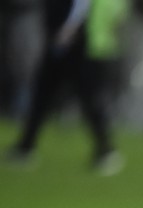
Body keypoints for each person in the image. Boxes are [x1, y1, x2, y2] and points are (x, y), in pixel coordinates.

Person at [5, 0, 128, 174]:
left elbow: (82, 5)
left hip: (75, 45)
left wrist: (68, 29)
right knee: (44, 95)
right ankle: (26, 146)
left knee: (86, 98)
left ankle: (106, 149)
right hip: (68, 42)